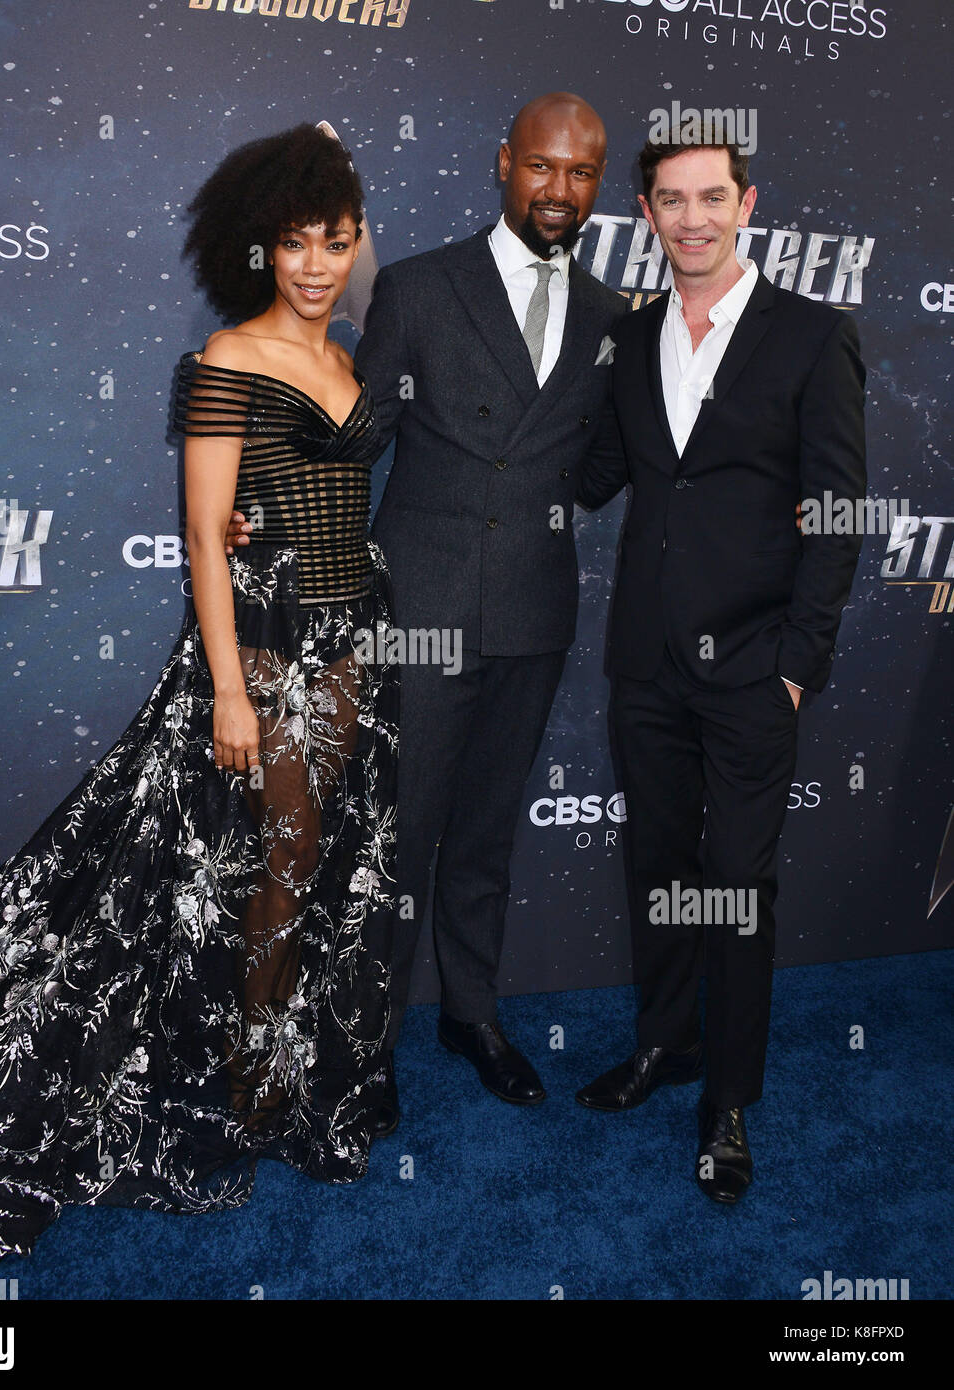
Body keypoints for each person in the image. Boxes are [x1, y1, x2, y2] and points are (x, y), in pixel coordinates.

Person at [0, 123, 398, 1275]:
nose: (314, 262)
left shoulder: (358, 357)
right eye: (295, 241)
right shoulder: (226, 358)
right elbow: (204, 538)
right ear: (258, 250)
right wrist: (228, 691)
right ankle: (250, 1090)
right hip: (262, 650)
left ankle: (288, 1065)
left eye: (335, 240)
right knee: (266, 863)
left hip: (359, 643)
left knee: (317, 869)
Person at [229, 92, 627, 1132]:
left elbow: (594, 469)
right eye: (541, 166)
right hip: (422, 608)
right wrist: (254, 502)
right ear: (504, 164)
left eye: (579, 173)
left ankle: (471, 1014)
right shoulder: (418, 286)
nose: (557, 189)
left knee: (487, 833)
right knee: (396, 841)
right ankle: (368, 1038)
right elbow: (355, 436)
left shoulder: (608, 316)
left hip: (534, 617)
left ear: (597, 186)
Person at [575, 129, 867, 1202]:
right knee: (657, 865)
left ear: (746, 204)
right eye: (668, 199)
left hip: (753, 665)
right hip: (645, 661)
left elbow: (835, 509)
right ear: (644, 213)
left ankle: (727, 1099)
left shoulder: (807, 334)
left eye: (710, 196)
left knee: (733, 889)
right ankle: (664, 1046)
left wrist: (797, 662)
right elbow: (601, 472)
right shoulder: (635, 332)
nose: (689, 217)